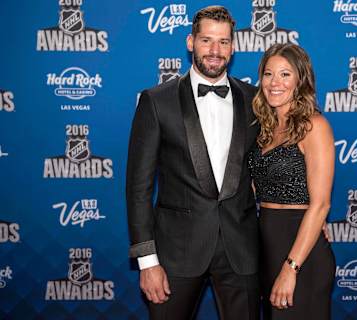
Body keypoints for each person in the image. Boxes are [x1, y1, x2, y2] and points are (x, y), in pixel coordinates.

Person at [126, 6, 260, 320]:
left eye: (224, 42)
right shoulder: (157, 101)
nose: (215, 51)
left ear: (233, 46)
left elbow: (276, 164)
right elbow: (138, 189)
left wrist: (309, 208)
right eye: (206, 40)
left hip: (240, 251)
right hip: (175, 254)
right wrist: (148, 262)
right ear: (190, 42)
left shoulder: (255, 100)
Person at [248, 43, 336, 320]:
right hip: (268, 245)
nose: (275, 83)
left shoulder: (314, 126)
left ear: (301, 80)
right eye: (268, 74)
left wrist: (291, 268)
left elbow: (320, 205)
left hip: (301, 252)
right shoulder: (262, 128)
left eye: (285, 75)